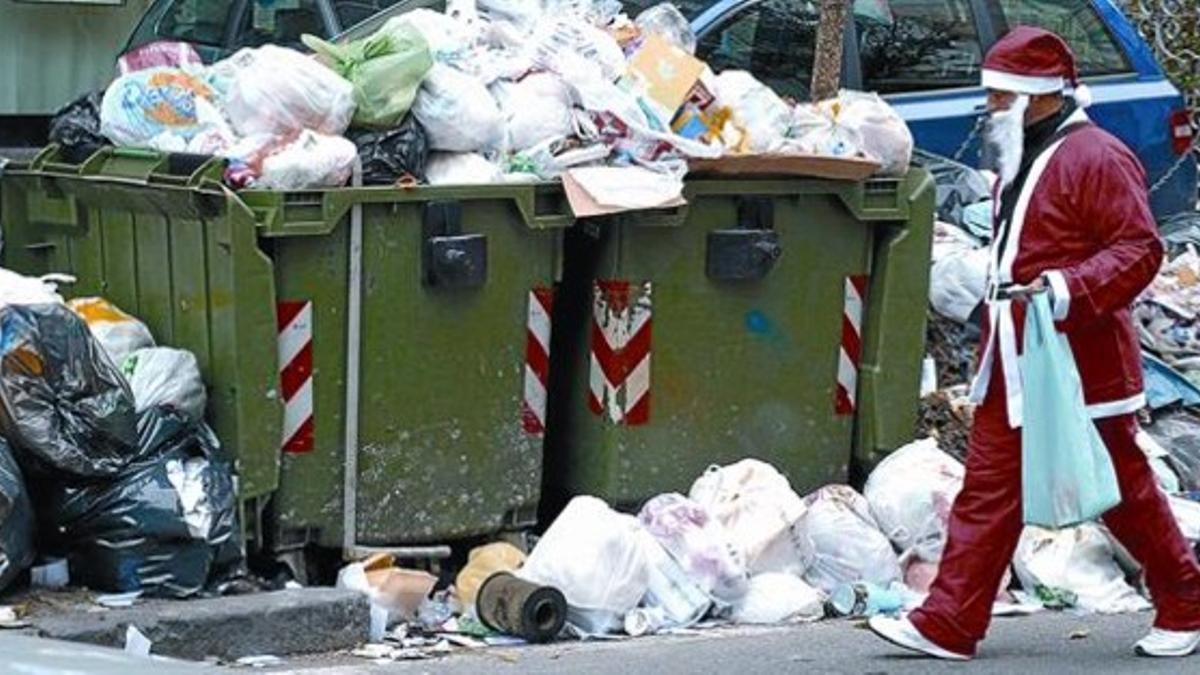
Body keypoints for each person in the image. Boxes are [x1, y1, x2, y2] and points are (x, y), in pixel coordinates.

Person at [868, 26, 1200, 660]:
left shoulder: (1096, 156)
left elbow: (1139, 249)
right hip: (1022, 356)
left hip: (1079, 361)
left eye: (998, 96)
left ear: (1035, 97)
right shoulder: (1026, 150)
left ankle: (1185, 598)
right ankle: (950, 621)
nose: (990, 107)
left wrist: (1064, 288)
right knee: (990, 489)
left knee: (1124, 490)